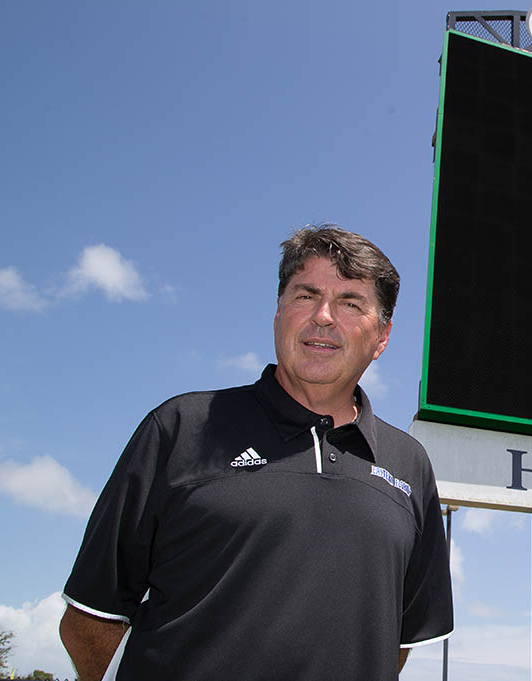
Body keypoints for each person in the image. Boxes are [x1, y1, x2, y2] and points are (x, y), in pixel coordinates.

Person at [59, 225, 453, 681]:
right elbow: (91, 618)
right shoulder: (180, 427)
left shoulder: (410, 464)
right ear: (278, 315)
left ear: (382, 337)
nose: (323, 316)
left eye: (350, 302)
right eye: (305, 296)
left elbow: (395, 643)